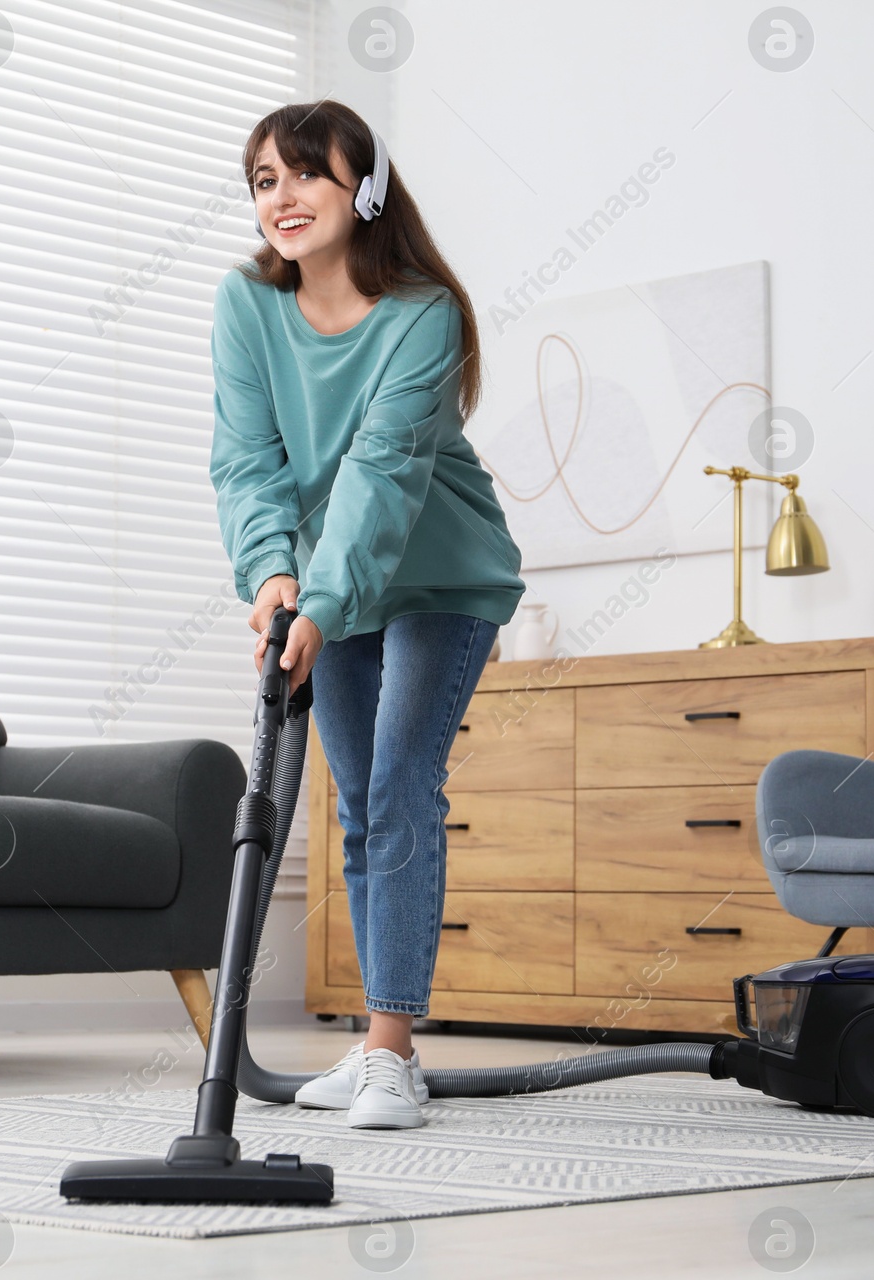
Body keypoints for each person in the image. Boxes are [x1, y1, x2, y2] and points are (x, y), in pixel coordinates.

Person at [209, 101, 525, 1129]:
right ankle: (378, 1046)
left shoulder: (421, 313)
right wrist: (270, 580)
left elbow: (379, 475)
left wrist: (325, 598)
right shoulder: (245, 308)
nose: (283, 198)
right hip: (324, 582)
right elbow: (247, 460)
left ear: (369, 191)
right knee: (354, 800)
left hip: (439, 577)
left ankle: (389, 1048)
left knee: (397, 782)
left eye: (306, 174)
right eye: (264, 180)